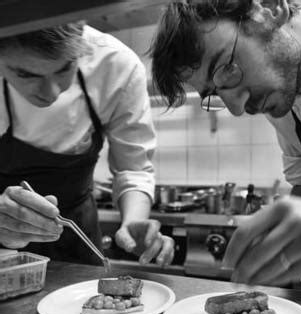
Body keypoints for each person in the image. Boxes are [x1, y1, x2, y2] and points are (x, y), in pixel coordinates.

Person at [149, 0, 301, 295]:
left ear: (270, 8)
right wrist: (279, 248)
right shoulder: (281, 99)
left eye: (226, 69)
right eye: (214, 93)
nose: (237, 108)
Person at [0, 22, 174, 266]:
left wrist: (133, 221)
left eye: (64, 68)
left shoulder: (115, 66)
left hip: (78, 235)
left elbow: (132, 168)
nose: (51, 93)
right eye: (26, 74)